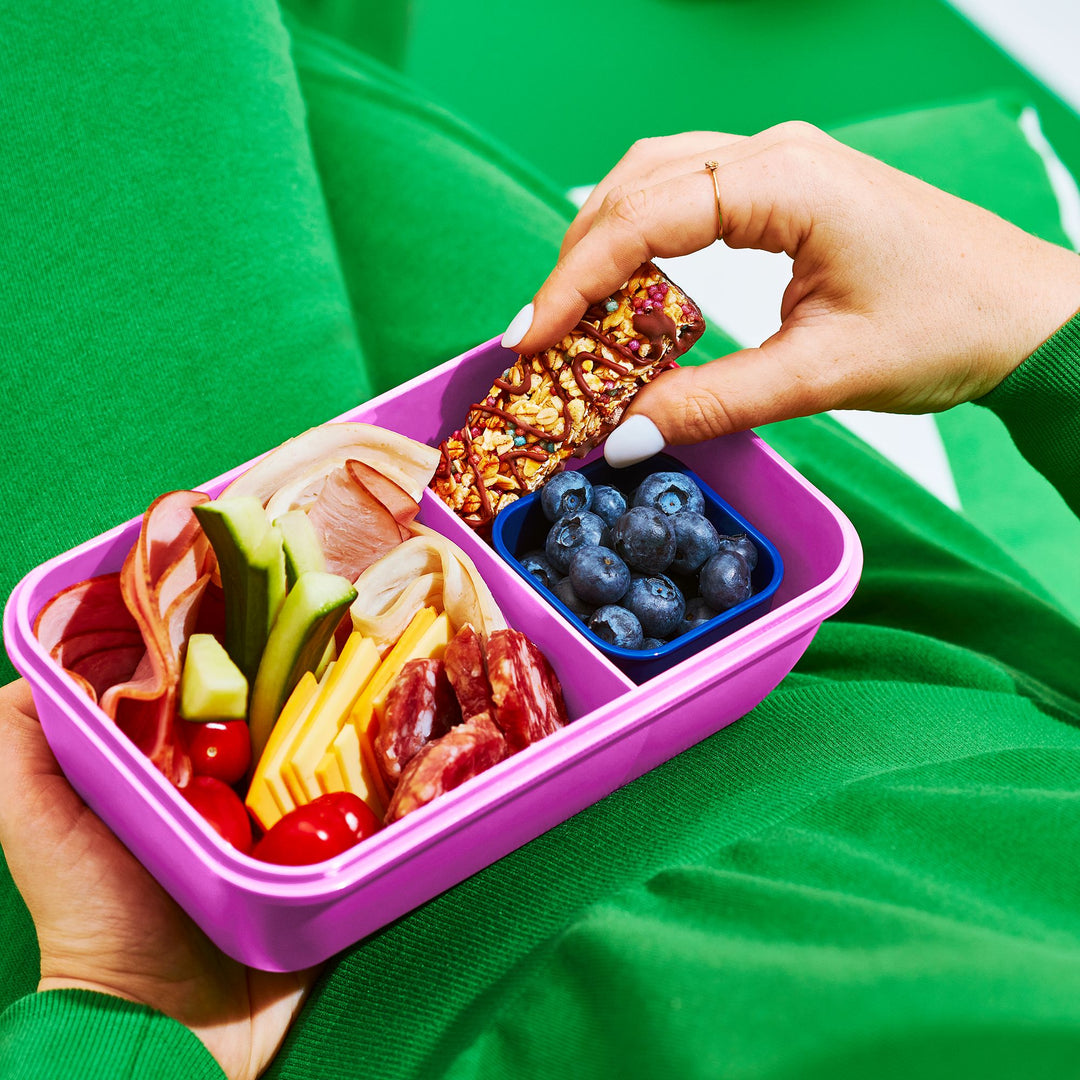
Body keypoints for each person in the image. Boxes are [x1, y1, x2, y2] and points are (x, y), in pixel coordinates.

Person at [2, 10, 1080, 1080]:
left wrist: (134, 1013)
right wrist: (1040, 316)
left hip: (316, 983)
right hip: (903, 661)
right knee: (275, 62)